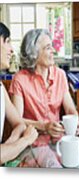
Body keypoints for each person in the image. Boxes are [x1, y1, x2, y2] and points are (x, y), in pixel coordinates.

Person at [9, 29, 79, 168]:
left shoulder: (60, 75)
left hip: (59, 141)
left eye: (52, 46)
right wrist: (44, 126)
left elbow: (70, 108)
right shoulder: (19, 79)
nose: (54, 50)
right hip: (32, 142)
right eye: (47, 47)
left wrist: (76, 120)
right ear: (33, 53)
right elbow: (17, 120)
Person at [0, 22, 38, 165]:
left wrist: (10, 144)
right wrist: (25, 140)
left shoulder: (0, 88)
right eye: (7, 42)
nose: (11, 50)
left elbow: (19, 123)